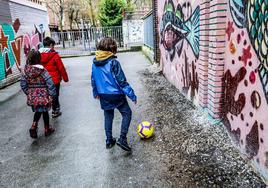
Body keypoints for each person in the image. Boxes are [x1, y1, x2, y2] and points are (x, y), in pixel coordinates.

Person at [91, 37, 137, 152]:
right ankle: (122, 139)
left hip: (103, 94)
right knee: (127, 113)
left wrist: (95, 92)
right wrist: (132, 95)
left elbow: (93, 79)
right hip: (116, 94)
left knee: (108, 116)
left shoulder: (94, 62)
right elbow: (121, 81)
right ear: (113, 48)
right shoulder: (113, 62)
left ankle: (109, 140)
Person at [21, 50, 56, 139]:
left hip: (33, 97)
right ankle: (47, 129)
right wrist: (52, 94)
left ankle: (34, 125)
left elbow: (23, 84)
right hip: (44, 96)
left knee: (38, 111)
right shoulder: (42, 71)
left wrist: (29, 93)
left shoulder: (26, 71)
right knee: (45, 112)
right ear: (39, 59)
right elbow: (50, 82)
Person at [39, 37, 69, 118]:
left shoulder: (38, 55)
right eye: (53, 45)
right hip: (54, 80)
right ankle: (55, 110)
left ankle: (44, 110)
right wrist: (65, 78)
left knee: (45, 95)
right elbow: (61, 68)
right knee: (55, 95)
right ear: (51, 45)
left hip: (43, 80)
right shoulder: (54, 55)